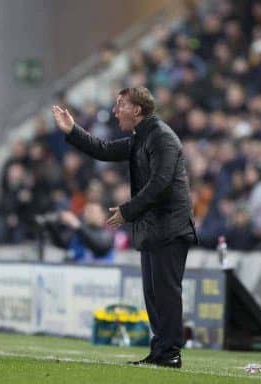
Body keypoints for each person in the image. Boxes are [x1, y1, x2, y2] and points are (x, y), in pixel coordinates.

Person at [52, 86, 197, 368]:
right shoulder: (140, 138)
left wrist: (127, 212)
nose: (116, 110)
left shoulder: (162, 138)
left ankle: (171, 353)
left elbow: (160, 182)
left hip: (170, 228)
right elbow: (103, 150)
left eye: (121, 105)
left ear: (137, 110)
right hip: (153, 229)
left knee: (166, 293)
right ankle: (161, 351)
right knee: (154, 295)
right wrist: (72, 130)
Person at [40, 202, 115, 264]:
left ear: (102, 215)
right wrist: (51, 226)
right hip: (76, 275)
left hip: (100, 277)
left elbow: (99, 247)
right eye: (86, 211)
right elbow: (61, 243)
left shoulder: (107, 234)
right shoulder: (78, 234)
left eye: (92, 211)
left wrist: (77, 225)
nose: (88, 214)